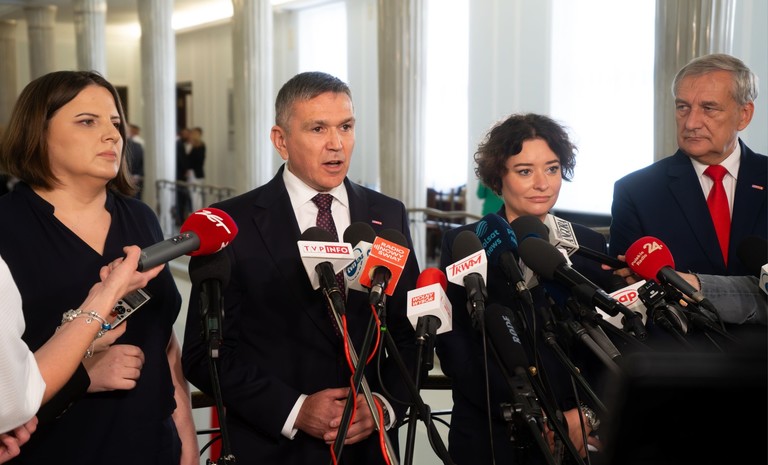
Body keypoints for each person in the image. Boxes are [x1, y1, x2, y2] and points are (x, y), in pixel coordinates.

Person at [181, 71, 420, 464]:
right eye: (318, 128)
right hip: (274, 448)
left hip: (367, 448)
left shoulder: (387, 214)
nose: (336, 143)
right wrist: (295, 409)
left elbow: (411, 334)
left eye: (346, 127)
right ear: (281, 140)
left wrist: (383, 404)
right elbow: (203, 354)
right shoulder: (232, 224)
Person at [0, 70, 198, 464]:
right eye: (87, 122)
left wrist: (186, 436)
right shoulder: (8, 226)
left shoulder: (140, 217)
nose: (112, 135)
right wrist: (82, 373)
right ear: (38, 132)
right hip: (56, 448)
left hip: (153, 443)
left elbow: (163, 339)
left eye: (115, 122)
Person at [437, 113, 612, 464]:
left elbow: (605, 343)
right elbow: (456, 348)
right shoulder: (464, 242)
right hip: (492, 432)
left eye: (552, 168)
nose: (542, 183)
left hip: (575, 433)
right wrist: (530, 411)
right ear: (498, 177)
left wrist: (586, 414)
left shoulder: (588, 245)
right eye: (525, 171)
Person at [608, 53, 767, 325]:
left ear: (744, 114)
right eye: (683, 107)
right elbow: (625, 292)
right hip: (680, 347)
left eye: (709, 108)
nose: (691, 123)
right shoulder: (637, 191)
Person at [0, 246, 162, 462]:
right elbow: (17, 395)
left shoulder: (143, 223)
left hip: (147, 434)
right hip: (60, 443)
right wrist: (108, 294)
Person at [186, 127, 206, 211]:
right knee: (194, 195)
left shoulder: (200, 146)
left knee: (196, 195)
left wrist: (188, 167)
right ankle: (196, 211)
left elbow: (196, 160)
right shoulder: (193, 146)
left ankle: (197, 212)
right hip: (194, 173)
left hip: (196, 173)